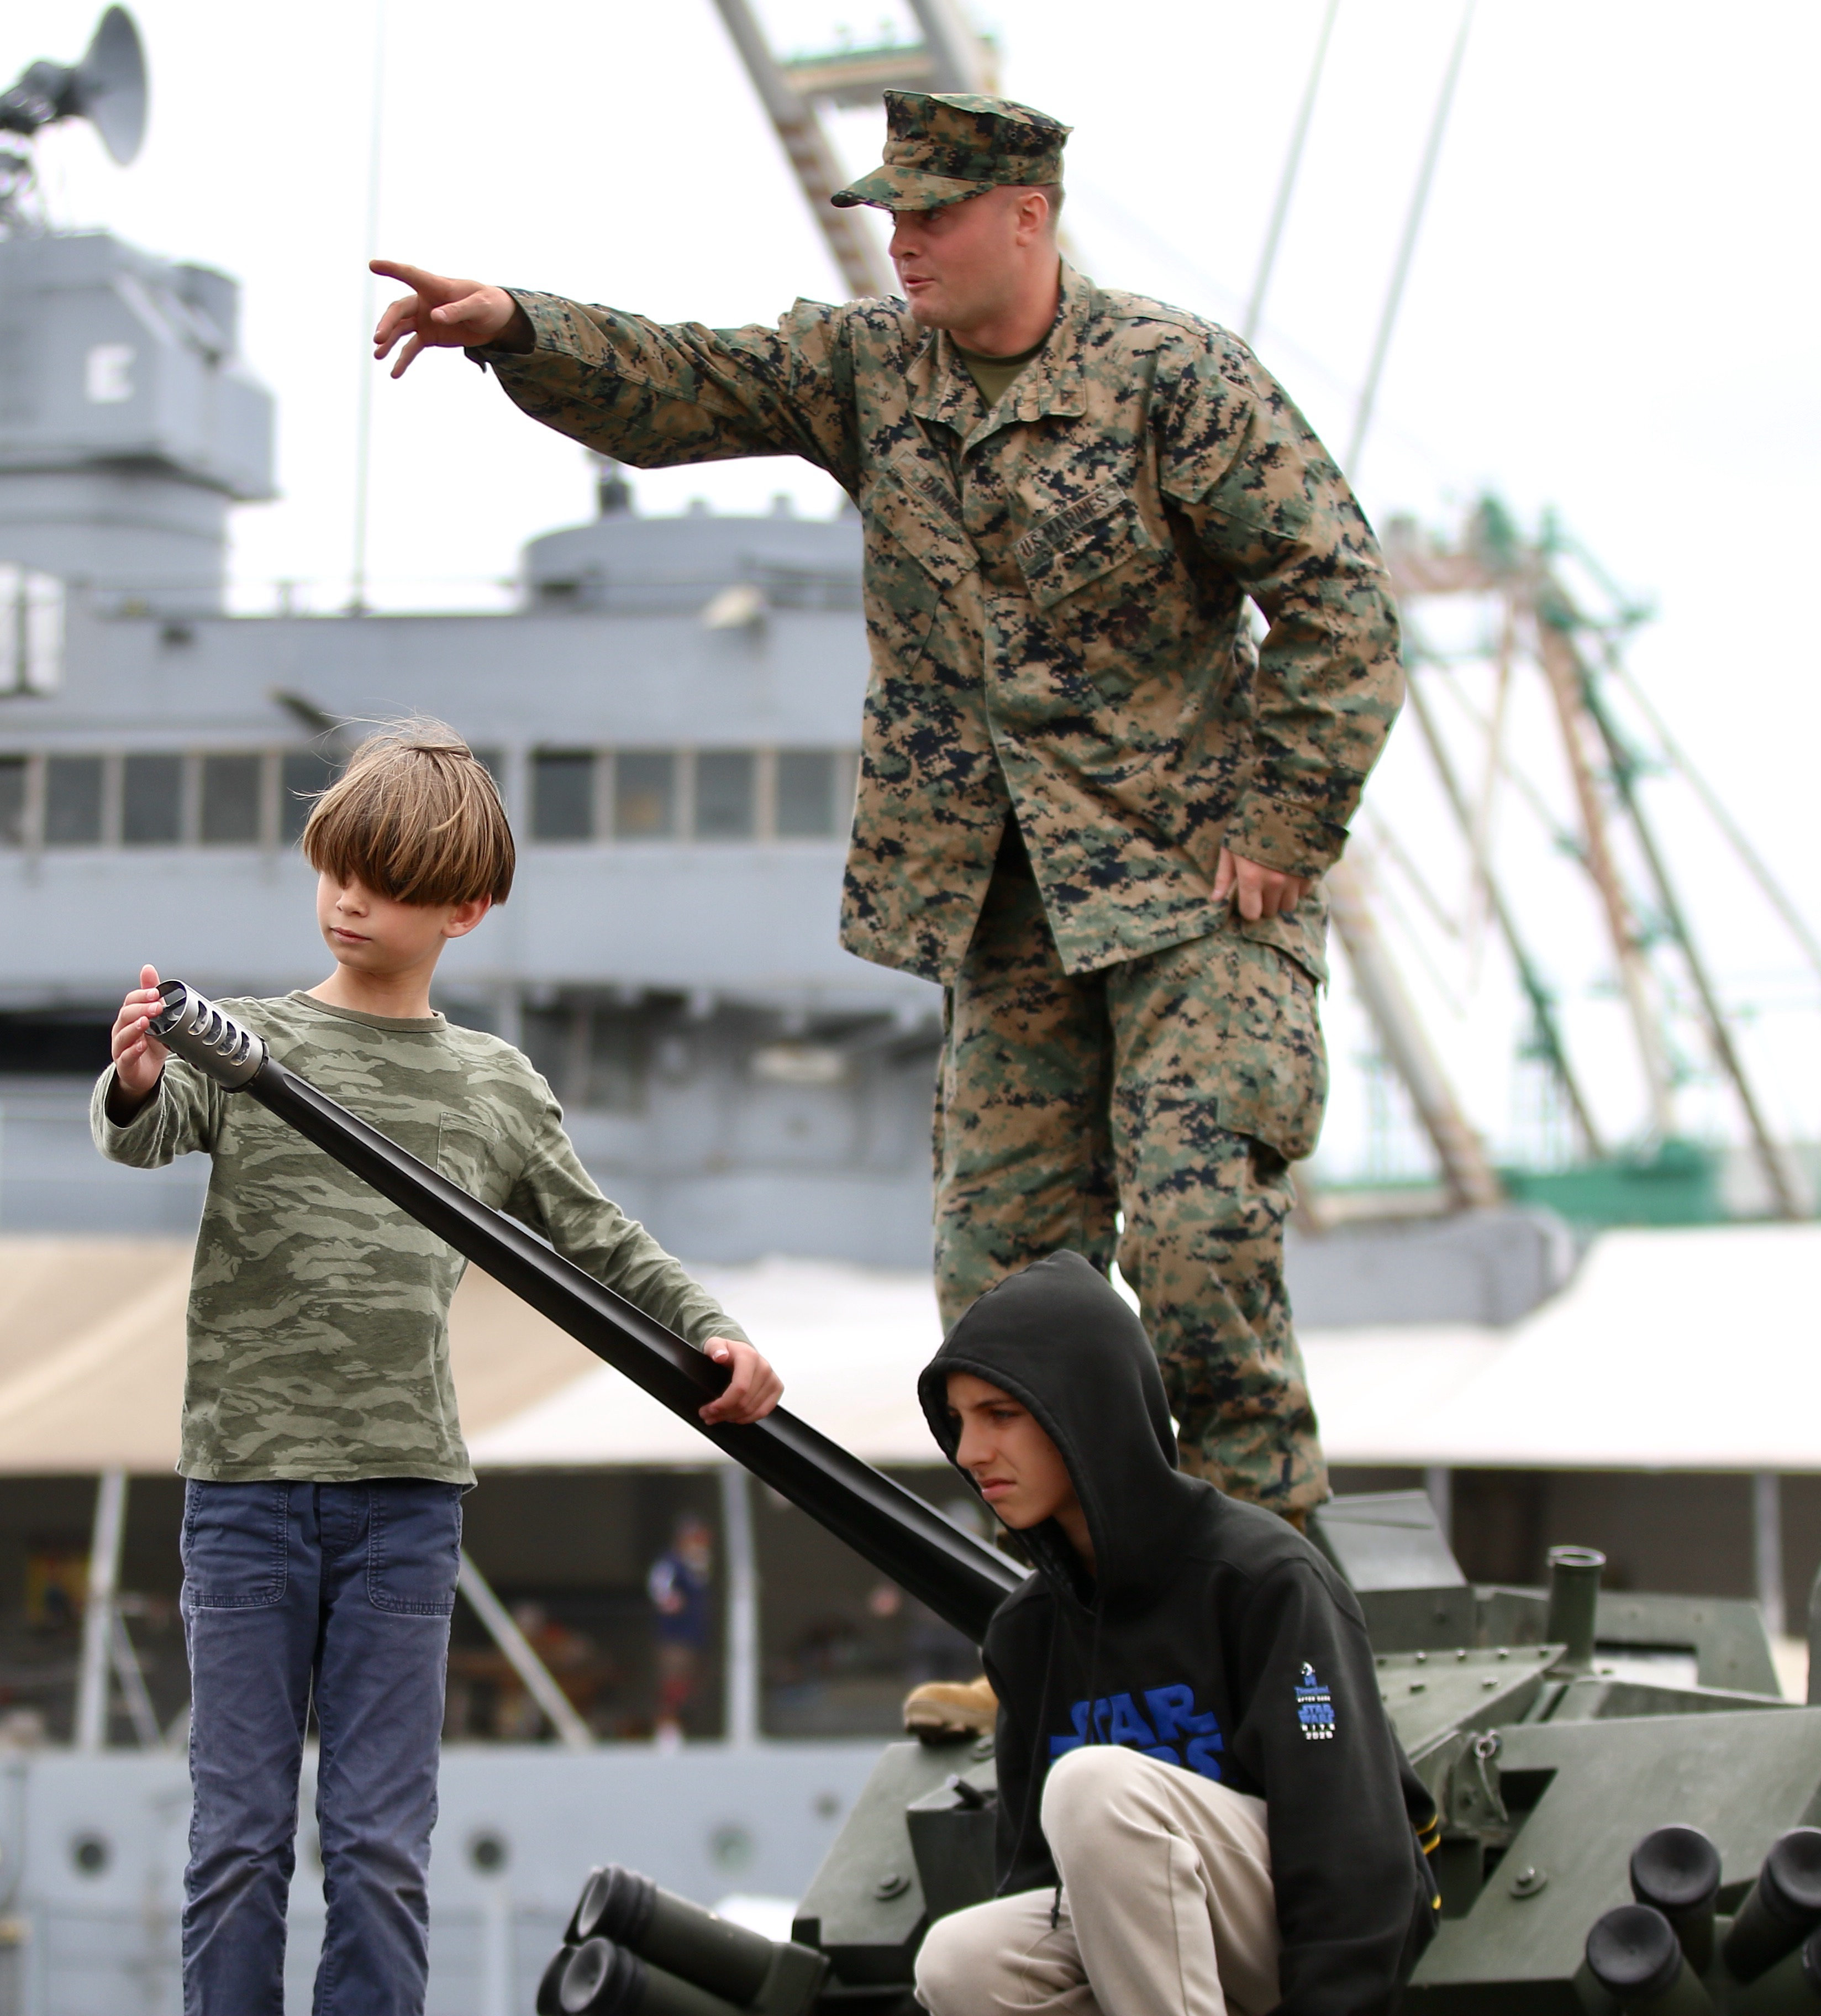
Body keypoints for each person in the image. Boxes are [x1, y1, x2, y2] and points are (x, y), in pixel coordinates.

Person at [367, 91, 1404, 1527]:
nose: (903, 242)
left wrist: (1288, 828)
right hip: (1006, 907)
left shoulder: (1173, 378)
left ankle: (1265, 1589)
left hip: (1193, 897)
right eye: (891, 216)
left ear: (1028, 217)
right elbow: (690, 381)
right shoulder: (872, 372)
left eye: (933, 215)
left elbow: (1340, 601)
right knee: (1005, 1300)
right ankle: (1057, 1607)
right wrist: (519, 330)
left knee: (1196, 1248)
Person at [96, 721, 782, 2015]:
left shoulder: (492, 1086)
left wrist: (713, 1328)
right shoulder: (245, 1044)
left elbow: (596, 1235)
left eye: (387, 883)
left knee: (378, 1850)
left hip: (402, 1505)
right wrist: (135, 1076)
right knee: (237, 1840)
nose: (347, 901)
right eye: (334, 870)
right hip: (245, 1492)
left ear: (465, 911)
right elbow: (146, 1131)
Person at [913, 1252, 1436, 2016]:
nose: (969, 1453)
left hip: (1300, 1933)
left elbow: (1351, 1846)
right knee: (962, 1960)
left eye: (1000, 1415)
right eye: (960, 1423)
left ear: (1083, 1408)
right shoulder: (1026, 1633)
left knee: (1094, 1788)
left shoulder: (1263, 1579)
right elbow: (1035, 1882)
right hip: (1153, 1954)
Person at [645, 1513, 713, 1749]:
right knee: (672, 1684)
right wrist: (672, 1602)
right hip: (675, 1637)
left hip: (695, 1636)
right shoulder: (671, 1562)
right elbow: (660, 1588)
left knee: (692, 1686)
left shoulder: (698, 1564)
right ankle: (666, 1730)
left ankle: (680, 1729)